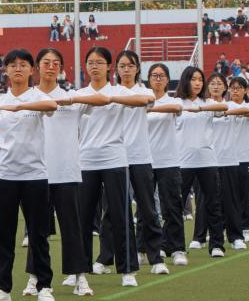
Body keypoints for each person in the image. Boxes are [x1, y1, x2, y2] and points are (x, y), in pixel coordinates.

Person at [0, 49, 60, 301]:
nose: (17, 69)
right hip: (5, 176)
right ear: (5, 70)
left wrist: (20, 105)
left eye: (23, 65)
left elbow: (52, 106)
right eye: (12, 65)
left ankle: (44, 288)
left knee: (38, 235)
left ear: (31, 70)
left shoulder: (38, 96)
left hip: (35, 175)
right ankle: (2, 290)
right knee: (4, 236)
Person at [74, 47, 147, 287]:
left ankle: (127, 270)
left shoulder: (119, 91)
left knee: (120, 215)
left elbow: (145, 100)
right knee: (83, 218)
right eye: (90, 62)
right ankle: (80, 270)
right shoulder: (80, 94)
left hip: (115, 160)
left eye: (99, 62)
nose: (94, 66)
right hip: (86, 161)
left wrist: (111, 99)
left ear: (109, 67)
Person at [34, 48, 93, 295]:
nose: (51, 66)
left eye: (55, 63)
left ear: (61, 68)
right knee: (37, 231)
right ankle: (35, 278)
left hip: (67, 172)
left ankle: (79, 277)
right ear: (37, 66)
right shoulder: (28, 98)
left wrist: (68, 100)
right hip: (35, 173)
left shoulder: (72, 97)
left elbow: (101, 100)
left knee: (72, 229)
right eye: (46, 62)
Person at [112, 51, 168, 275]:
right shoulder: (110, 91)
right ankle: (106, 258)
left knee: (148, 208)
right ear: (116, 69)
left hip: (140, 157)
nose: (126, 69)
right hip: (115, 157)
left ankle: (156, 258)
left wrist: (113, 98)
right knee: (113, 211)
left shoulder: (145, 91)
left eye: (130, 65)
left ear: (137, 69)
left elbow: (146, 102)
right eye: (122, 65)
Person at [175, 66, 229, 259]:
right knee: (176, 206)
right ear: (185, 81)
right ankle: (175, 246)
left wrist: (200, 108)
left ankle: (216, 245)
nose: (197, 83)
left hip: (207, 161)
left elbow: (224, 108)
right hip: (183, 162)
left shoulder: (208, 102)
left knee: (213, 204)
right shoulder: (177, 103)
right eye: (193, 79)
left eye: (200, 79)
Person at [144, 63, 187, 265]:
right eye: (154, 75)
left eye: (162, 76)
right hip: (145, 160)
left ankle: (177, 248)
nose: (158, 79)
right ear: (148, 79)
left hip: (169, 161)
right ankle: (143, 249)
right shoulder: (142, 98)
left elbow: (176, 109)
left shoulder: (173, 100)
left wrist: (148, 108)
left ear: (168, 79)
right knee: (145, 209)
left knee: (172, 206)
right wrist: (145, 105)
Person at [206, 73, 249, 251]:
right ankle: (209, 234)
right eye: (212, 83)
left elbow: (247, 111)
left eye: (219, 84)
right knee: (210, 202)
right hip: (208, 160)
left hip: (229, 159)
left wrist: (223, 111)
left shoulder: (231, 104)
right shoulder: (203, 105)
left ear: (225, 88)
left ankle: (236, 236)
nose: (216, 86)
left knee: (231, 201)